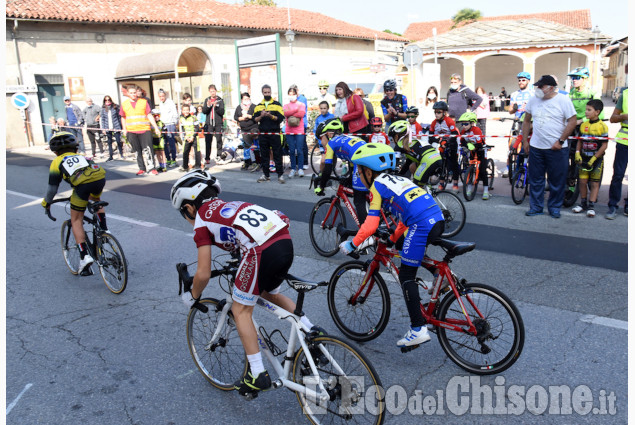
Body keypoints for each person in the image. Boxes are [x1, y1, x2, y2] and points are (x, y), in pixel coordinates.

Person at [172, 170, 323, 395]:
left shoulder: (202, 219)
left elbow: (203, 274)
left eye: (183, 212)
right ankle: (314, 335)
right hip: (283, 241)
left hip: (259, 250)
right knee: (267, 293)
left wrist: (192, 296)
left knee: (240, 309)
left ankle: (257, 373)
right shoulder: (230, 205)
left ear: (189, 207)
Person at [339, 143, 444, 348]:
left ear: (368, 172)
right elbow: (405, 216)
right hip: (436, 218)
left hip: (420, 224)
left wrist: (353, 244)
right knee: (405, 245)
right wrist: (394, 237)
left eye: (359, 172)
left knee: (406, 275)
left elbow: (370, 224)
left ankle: (417, 329)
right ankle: (437, 273)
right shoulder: (400, 180)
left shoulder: (377, 186)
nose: (359, 176)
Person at [41, 132, 107, 275]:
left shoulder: (57, 161)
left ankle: (84, 256)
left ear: (55, 151)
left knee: (76, 219)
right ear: (75, 148)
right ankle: (104, 230)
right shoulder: (82, 156)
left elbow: (52, 188)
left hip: (82, 187)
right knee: (96, 200)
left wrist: (46, 202)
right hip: (99, 179)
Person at [522, 75, 577, 218]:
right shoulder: (534, 100)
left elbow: (572, 121)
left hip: (557, 148)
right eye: (537, 86)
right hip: (536, 147)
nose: (538, 89)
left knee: (557, 180)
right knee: (536, 180)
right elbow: (526, 121)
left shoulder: (563, 100)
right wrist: (525, 141)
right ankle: (536, 207)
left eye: (541, 86)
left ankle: (554, 207)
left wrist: (560, 140)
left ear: (551, 88)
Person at [314, 118, 368, 224]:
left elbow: (327, 169)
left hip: (362, 160)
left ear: (328, 134)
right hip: (369, 156)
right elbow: (352, 165)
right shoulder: (347, 138)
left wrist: (321, 186)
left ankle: (367, 236)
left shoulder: (331, 144)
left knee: (359, 200)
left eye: (320, 139)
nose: (321, 142)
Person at [571, 99, 609, 217]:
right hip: (584, 158)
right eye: (586, 109)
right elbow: (579, 141)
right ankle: (583, 203)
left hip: (596, 160)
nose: (586, 112)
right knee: (582, 181)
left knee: (594, 183)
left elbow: (604, 145)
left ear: (597, 112)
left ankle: (591, 205)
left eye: (589, 110)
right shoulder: (583, 125)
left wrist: (594, 158)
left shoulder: (602, 126)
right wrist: (577, 152)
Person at [120, 85, 160, 175]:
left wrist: (156, 128)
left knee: (148, 149)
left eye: (135, 92)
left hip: (144, 129)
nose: (133, 94)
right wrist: (124, 129)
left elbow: (149, 115)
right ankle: (142, 168)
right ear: (128, 93)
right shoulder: (124, 104)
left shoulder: (143, 102)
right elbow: (123, 117)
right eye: (131, 93)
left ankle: (152, 168)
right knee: (137, 151)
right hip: (131, 131)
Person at [253, 84, 285, 184]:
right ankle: (266, 175)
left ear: (271, 92)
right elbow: (255, 119)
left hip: (274, 133)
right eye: (265, 92)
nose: (267, 94)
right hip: (262, 134)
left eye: (268, 92)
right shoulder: (258, 106)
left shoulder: (277, 104)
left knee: (277, 154)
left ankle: (280, 175)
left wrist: (270, 115)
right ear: (262, 93)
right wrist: (261, 116)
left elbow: (280, 118)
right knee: (264, 155)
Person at [503, 72, 534, 177]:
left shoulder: (533, 93)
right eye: (519, 80)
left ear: (528, 81)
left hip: (530, 121)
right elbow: (510, 111)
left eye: (523, 80)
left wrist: (529, 107)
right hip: (517, 121)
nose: (521, 82)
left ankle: (528, 167)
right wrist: (514, 108)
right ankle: (510, 168)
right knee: (512, 145)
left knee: (528, 144)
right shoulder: (514, 94)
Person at [607, 82, 628, 219]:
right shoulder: (625, 94)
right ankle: (612, 206)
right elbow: (613, 118)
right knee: (618, 175)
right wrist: (625, 116)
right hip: (624, 140)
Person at [457, 111, 490, 200]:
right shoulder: (463, 131)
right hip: (472, 151)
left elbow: (479, 144)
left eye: (466, 123)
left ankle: (486, 190)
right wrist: (466, 145)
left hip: (481, 150)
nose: (464, 126)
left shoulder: (477, 130)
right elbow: (462, 141)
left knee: (482, 171)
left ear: (472, 123)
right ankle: (469, 187)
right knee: (470, 169)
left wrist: (472, 146)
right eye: (462, 123)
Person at [429, 101, 460, 192]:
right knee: (441, 163)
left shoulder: (449, 121)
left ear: (444, 113)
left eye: (439, 112)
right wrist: (438, 140)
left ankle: (455, 183)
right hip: (441, 144)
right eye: (435, 112)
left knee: (453, 163)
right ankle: (441, 183)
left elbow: (454, 134)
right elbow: (430, 138)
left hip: (451, 142)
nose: (436, 114)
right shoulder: (434, 123)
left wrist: (447, 142)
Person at [283, 87, 307, 177]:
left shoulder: (301, 104)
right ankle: (293, 168)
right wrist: (295, 111)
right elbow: (285, 113)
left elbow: (301, 114)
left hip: (299, 129)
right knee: (292, 150)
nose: (291, 95)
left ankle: (300, 168)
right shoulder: (286, 105)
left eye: (293, 93)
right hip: (289, 130)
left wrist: (290, 113)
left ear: (296, 94)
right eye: (290, 93)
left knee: (300, 150)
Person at [234, 92, 259, 170]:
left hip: (253, 128)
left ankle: (255, 162)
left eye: (248, 98)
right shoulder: (239, 107)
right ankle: (247, 162)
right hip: (244, 129)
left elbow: (257, 116)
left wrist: (249, 116)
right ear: (242, 100)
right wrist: (240, 118)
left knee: (254, 145)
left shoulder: (254, 106)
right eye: (245, 99)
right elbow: (235, 117)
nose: (246, 100)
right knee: (247, 146)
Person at [202, 84, 226, 164]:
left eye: (214, 91)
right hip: (209, 124)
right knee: (208, 140)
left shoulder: (220, 100)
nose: (212, 93)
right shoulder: (207, 100)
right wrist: (208, 106)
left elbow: (222, 112)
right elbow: (204, 111)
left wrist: (216, 107)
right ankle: (207, 157)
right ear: (209, 92)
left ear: (216, 91)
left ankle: (219, 156)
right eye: (211, 91)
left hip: (218, 123)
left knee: (219, 140)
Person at [157, 89, 179, 169]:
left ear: (165, 95)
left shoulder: (170, 102)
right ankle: (168, 158)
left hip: (170, 124)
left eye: (162, 96)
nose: (161, 98)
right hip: (163, 125)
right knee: (164, 143)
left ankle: (173, 159)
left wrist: (174, 123)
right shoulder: (160, 104)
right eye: (160, 96)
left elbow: (175, 113)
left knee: (171, 142)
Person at [100, 96, 124, 161]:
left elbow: (119, 117)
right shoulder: (103, 109)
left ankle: (121, 154)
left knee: (118, 141)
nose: (107, 101)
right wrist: (103, 129)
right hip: (107, 127)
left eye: (108, 100)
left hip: (116, 126)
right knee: (109, 142)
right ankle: (111, 156)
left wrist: (121, 127)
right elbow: (103, 119)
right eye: (106, 100)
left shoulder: (115, 107)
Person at [179, 104, 202, 172]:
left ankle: (198, 166)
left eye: (187, 110)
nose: (186, 111)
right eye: (184, 110)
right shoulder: (181, 118)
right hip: (187, 137)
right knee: (185, 152)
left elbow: (197, 128)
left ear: (189, 110)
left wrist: (192, 136)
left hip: (194, 137)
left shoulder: (193, 117)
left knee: (197, 151)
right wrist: (186, 136)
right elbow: (182, 129)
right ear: (182, 111)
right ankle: (185, 166)